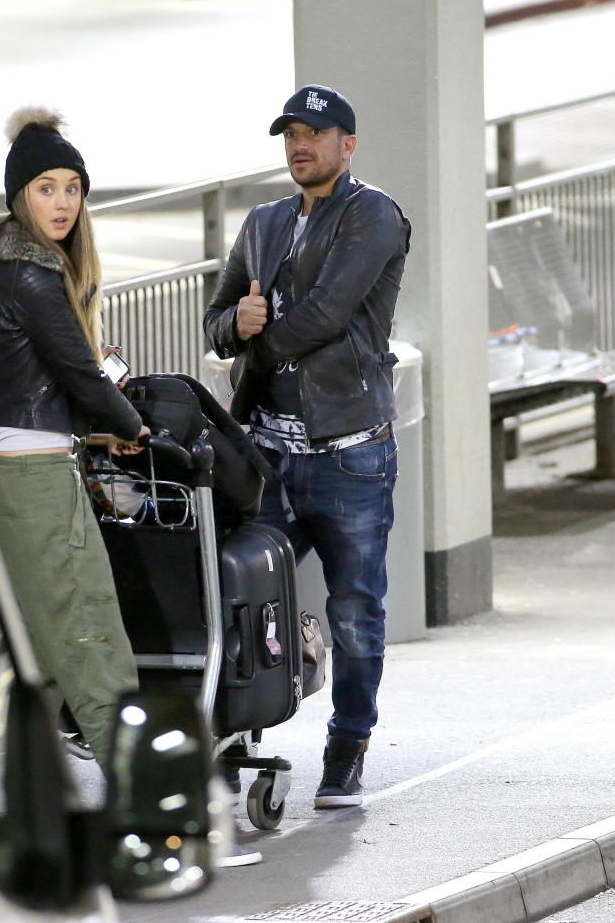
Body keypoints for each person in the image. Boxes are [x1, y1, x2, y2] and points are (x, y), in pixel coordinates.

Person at [204, 84, 412, 809]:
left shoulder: (373, 215)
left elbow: (327, 313)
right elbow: (215, 317)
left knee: (356, 608)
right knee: (233, 591)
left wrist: (257, 346)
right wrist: (238, 320)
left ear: (346, 146)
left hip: (350, 454)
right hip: (267, 456)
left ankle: (347, 745)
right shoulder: (262, 222)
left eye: (316, 134)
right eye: (291, 133)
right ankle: (236, 739)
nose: (301, 145)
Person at [0, 106, 147, 766]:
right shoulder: (36, 275)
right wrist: (133, 426)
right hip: (38, 485)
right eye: (47, 188)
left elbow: (23, 379)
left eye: (72, 187)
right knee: (92, 640)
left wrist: (96, 430)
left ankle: (15, 814)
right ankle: (151, 815)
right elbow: (81, 375)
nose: (63, 202)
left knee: (33, 652)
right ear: (20, 194)